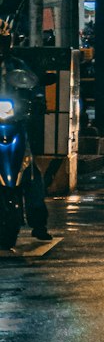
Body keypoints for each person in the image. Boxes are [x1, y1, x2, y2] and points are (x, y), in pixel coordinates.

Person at [0, 33, 51, 241]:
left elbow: (34, 85)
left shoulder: (16, 65)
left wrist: (37, 99)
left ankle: (38, 223)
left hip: (13, 124)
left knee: (30, 171)